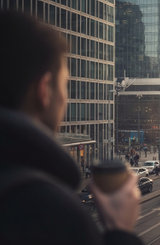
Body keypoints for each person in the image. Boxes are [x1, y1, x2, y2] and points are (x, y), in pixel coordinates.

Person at [0, 10, 143, 245]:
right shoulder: (49, 212)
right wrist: (120, 230)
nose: (65, 98)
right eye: (65, 85)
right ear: (44, 90)